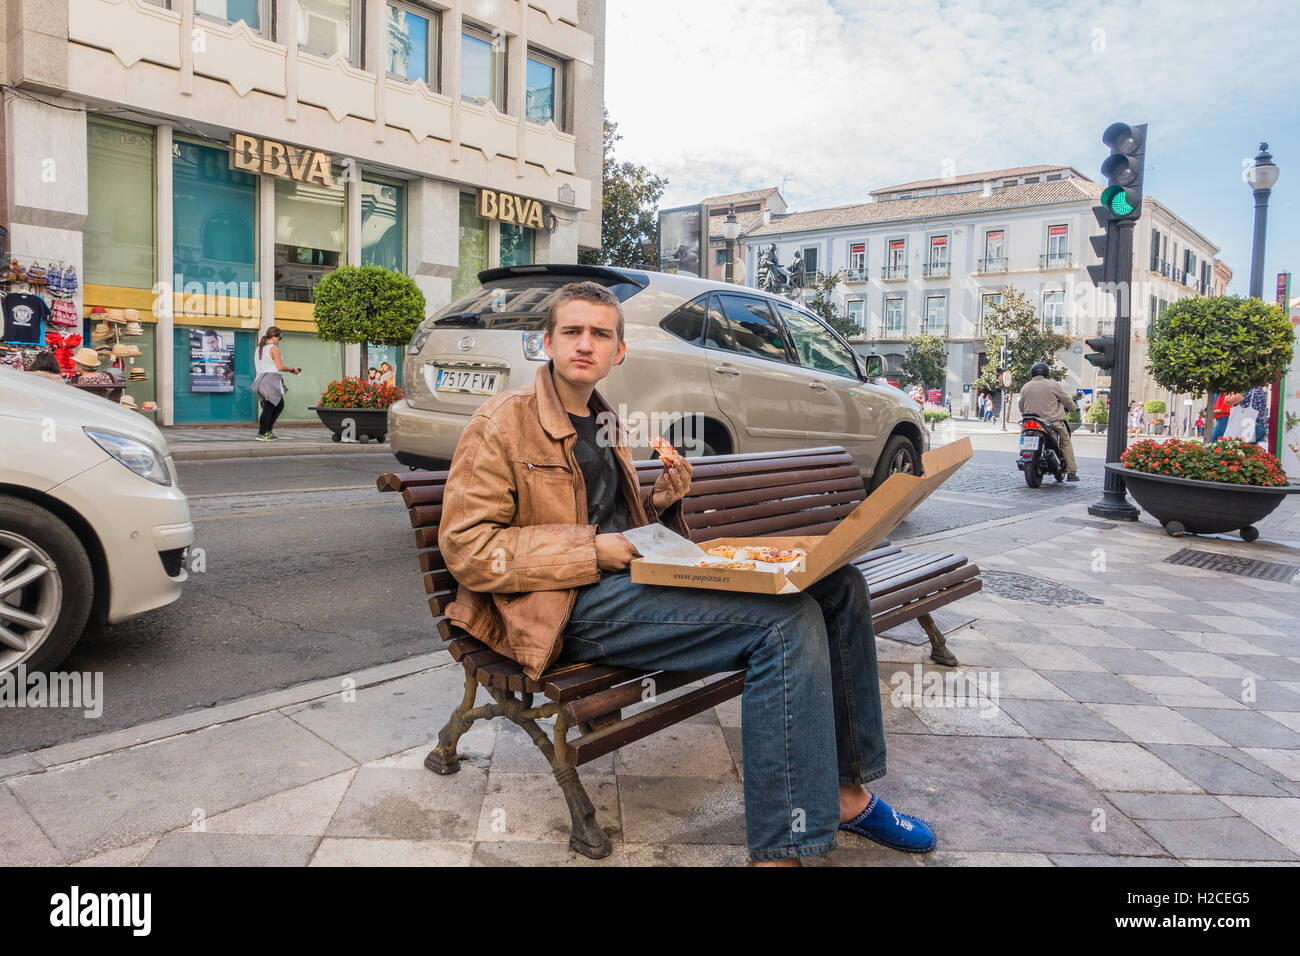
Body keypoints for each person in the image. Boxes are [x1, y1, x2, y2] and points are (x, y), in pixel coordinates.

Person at [437, 281, 936, 866]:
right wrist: (595, 550)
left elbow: (621, 526)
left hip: (628, 588)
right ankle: (780, 851)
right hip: (561, 608)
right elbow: (468, 549)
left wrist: (662, 503)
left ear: (618, 351)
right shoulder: (501, 422)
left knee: (840, 588)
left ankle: (848, 795)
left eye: (600, 334)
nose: (584, 344)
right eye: (571, 331)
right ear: (545, 342)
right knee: (783, 624)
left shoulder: (603, 421)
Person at [1018, 362, 1079, 481]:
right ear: (1046, 373)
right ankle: (1071, 472)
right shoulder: (1052, 385)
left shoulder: (1025, 386)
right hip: (1051, 422)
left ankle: (1023, 454)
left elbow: (1021, 406)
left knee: (1024, 436)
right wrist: (1074, 408)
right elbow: (1065, 399)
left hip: (1030, 421)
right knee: (1065, 443)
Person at [252, 326, 301, 441]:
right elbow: (279, 367)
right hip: (271, 380)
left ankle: (267, 431)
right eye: (280, 338)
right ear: (274, 337)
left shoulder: (259, 348)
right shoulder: (274, 349)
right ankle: (262, 433)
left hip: (260, 380)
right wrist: (292, 369)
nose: (279, 341)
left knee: (278, 405)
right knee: (270, 406)